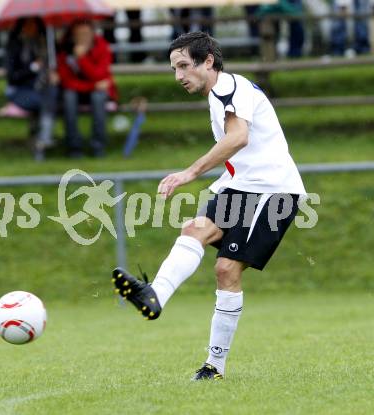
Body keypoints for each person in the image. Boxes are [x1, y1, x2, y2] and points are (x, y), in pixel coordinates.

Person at [112, 32, 306, 381]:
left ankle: (214, 366)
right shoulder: (218, 94)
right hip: (243, 186)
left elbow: (238, 137)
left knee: (226, 269)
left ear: (208, 62)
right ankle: (154, 296)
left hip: (273, 190)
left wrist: (190, 172)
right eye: (174, 69)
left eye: (184, 66)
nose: (178, 76)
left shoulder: (231, 89)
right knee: (194, 230)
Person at [57, 20, 117, 158]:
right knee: (68, 96)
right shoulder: (64, 51)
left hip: (98, 91)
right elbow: (67, 82)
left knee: (98, 97)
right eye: (79, 34)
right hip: (78, 90)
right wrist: (91, 86)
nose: (84, 37)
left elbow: (99, 75)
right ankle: (74, 148)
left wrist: (82, 58)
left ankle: (98, 146)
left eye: (87, 33)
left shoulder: (102, 46)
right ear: (72, 36)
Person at [2, 17, 58, 152]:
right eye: (27, 25)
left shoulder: (46, 45)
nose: (31, 28)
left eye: (33, 25)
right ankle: (44, 137)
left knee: (52, 94)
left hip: (42, 89)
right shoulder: (15, 46)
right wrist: (32, 68)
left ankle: (41, 139)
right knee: (43, 101)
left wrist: (53, 73)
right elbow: (12, 77)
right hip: (20, 89)